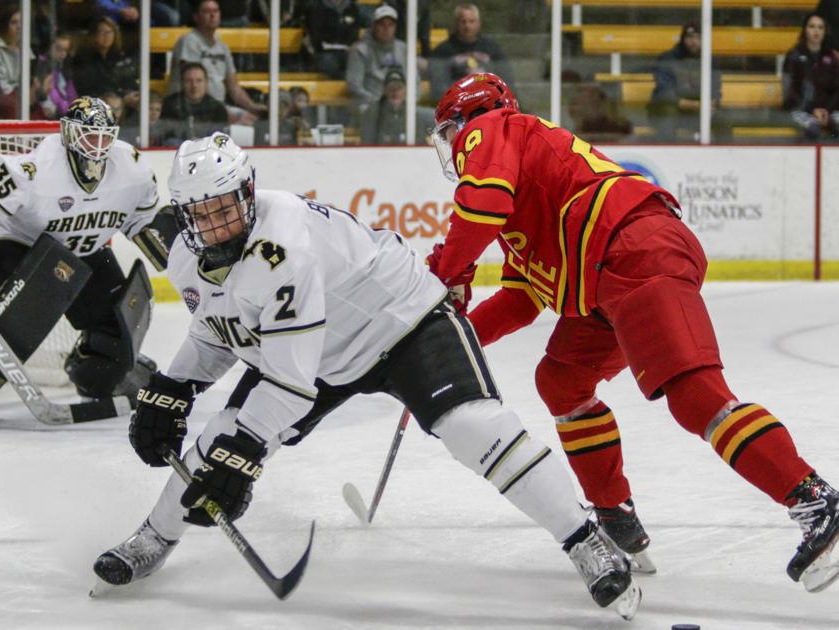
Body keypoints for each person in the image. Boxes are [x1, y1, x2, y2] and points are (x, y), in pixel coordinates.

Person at [90, 132, 642, 619]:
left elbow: (290, 380)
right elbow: (222, 329)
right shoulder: (188, 258)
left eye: (226, 208)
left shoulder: (284, 246)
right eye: (203, 214)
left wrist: (247, 452)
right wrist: (175, 387)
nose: (217, 224)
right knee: (220, 438)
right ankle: (152, 538)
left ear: (248, 194)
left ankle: (584, 540)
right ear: (186, 217)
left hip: (403, 321)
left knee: (475, 428)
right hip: (317, 349)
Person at [427, 72, 839, 594]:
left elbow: (479, 205)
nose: (454, 144)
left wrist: (447, 274)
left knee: (697, 398)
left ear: (470, 117)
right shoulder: (522, 192)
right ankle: (615, 514)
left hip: (636, 251)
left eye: (451, 130)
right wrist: (448, 340)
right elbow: (521, 300)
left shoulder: (493, 127)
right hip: (608, 274)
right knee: (561, 380)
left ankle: (813, 498)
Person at [0, 96, 178, 421]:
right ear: (68, 134)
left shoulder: (132, 169)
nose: (98, 146)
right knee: (23, 318)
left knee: (118, 327)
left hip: (85, 249)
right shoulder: (38, 169)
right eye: (89, 136)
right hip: (21, 249)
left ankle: (94, 375)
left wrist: (172, 241)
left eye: (104, 137)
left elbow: (143, 218)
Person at [165, 0, 267, 122]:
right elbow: (193, 86)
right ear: (196, 17)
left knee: (255, 121)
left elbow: (233, 87)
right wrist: (227, 116)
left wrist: (253, 107)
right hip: (191, 108)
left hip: (218, 107)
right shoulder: (189, 41)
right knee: (243, 124)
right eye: (207, 11)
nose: (212, 15)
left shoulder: (222, 47)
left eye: (215, 11)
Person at [647, 23, 724, 142]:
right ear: (682, 39)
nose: (694, 41)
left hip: (698, 108)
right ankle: (667, 153)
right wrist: (695, 105)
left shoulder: (710, 60)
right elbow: (665, 92)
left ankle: (724, 155)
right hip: (672, 107)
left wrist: (712, 102)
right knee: (667, 114)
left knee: (723, 118)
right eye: (690, 37)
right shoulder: (667, 58)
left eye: (698, 37)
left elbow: (715, 88)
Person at [429, 3, 511, 102]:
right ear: (456, 23)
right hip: (456, 104)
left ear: (479, 23)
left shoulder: (492, 48)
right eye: (463, 21)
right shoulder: (443, 51)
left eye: (471, 21)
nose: (467, 26)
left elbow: (506, 80)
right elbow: (438, 88)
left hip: (489, 102)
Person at [782, 13, 839, 140]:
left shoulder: (832, 56)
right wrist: (812, 110)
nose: (816, 31)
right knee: (813, 129)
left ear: (825, 31)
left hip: (828, 110)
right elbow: (790, 93)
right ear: (805, 30)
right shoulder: (793, 56)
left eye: (820, 27)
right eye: (812, 26)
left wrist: (826, 111)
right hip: (799, 109)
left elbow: (837, 89)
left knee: (835, 126)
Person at [346, 4, 413, 110]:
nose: (386, 29)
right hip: (371, 105)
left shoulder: (404, 49)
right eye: (382, 24)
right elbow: (354, 85)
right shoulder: (360, 50)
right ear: (374, 26)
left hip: (402, 106)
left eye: (390, 25)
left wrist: (406, 101)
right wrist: (379, 102)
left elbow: (416, 82)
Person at [72, 16, 139, 111]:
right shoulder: (84, 58)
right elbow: (92, 87)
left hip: (122, 101)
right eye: (102, 32)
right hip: (95, 104)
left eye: (110, 32)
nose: (106, 36)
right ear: (94, 35)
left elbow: (128, 79)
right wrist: (122, 97)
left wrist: (130, 93)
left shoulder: (118, 56)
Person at [360, 66, 434, 144]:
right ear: (384, 90)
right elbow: (367, 143)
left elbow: (438, 120)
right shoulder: (372, 113)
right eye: (391, 88)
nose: (395, 93)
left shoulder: (416, 114)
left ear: (405, 90)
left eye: (399, 88)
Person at [162, 62, 230, 145]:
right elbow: (167, 137)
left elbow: (220, 140)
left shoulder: (218, 109)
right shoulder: (169, 105)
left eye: (199, 81)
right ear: (182, 83)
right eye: (188, 81)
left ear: (206, 83)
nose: (194, 85)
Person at [296, 0, 361, 79]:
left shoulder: (352, 7)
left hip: (347, 52)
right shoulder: (315, 6)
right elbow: (315, 35)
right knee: (329, 64)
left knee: (358, 63)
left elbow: (354, 34)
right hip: (323, 52)